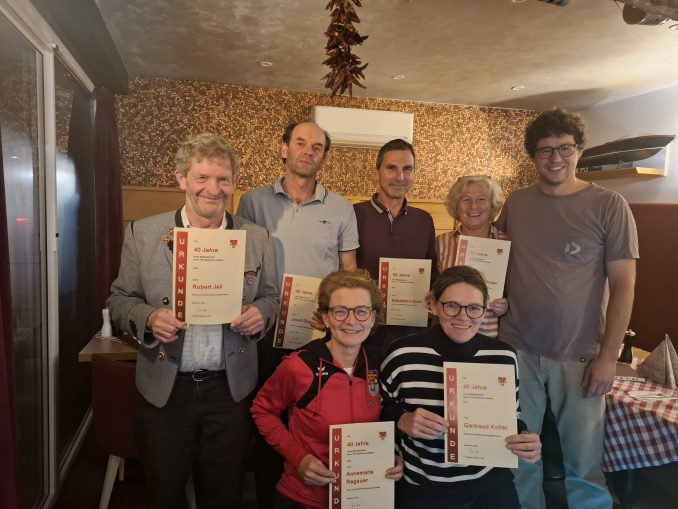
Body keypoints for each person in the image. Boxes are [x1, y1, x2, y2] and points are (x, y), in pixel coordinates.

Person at [107, 133, 279, 508]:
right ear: (181, 178)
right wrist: (149, 317)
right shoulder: (143, 233)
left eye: (223, 179)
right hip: (166, 388)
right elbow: (119, 300)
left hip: (229, 389)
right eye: (202, 177)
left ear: (234, 182)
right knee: (163, 491)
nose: (213, 189)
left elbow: (271, 298)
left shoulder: (257, 238)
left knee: (224, 493)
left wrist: (261, 314)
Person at [496, 108, 638, 509]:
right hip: (517, 351)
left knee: (584, 465)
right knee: (518, 458)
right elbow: (494, 260)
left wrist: (608, 357)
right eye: (545, 150)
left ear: (579, 150)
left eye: (565, 148)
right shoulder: (517, 202)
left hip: (580, 356)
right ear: (533, 156)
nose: (555, 158)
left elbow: (624, 285)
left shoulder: (610, 205)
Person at [236, 120, 360, 508]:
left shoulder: (341, 208)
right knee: (266, 422)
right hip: (263, 333)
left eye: (317, 147)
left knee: (311, 424)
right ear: (284, 148)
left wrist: (338, 316)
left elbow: (349, 272)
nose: (308, 151)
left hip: (318, 337)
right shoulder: (252, 202)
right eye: (301, 143)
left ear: (324, 157)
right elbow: (241, 265)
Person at [380, 266, 541, 509]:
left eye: (474, 308)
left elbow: (511, 417)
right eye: (452, 306)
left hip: (490, 486)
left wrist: (525, 438)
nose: (463, 317)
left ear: (485, 310)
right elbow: (380, 410)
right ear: (433, 305)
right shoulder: (402, 353)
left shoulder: (503, 355)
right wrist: (402, 420)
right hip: (423, 487)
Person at [251, 269, 403, 509]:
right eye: (340, 311)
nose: (351, 321)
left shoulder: (379, 365)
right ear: (325, 317)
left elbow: (385, 422)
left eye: (362, 311)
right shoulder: (299, 366)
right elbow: (262, 411)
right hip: (303, 499)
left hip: (364, 498)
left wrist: (388, 457)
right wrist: (298, 458)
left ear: (373, 317)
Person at [353, 139, 437, 361]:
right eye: (391, 168)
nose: (400, 177)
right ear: (378, 170)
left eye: (407, 169)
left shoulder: (424, 220)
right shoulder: (354, 214)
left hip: (412, 335)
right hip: (363, 333)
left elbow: (433, 274)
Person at [435, 175, 508, 337]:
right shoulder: (440, 243)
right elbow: (433, 290)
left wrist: (506, 306)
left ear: (492, 205)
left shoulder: (507, 242)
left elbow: (517, 291)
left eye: (481, 199)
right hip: (448, 333)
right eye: (466, 199)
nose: (473, 206)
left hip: (490, 335)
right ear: (457, 205)